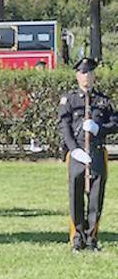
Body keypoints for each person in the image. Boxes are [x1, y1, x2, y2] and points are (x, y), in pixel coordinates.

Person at [58, 58, 118, 252]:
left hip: (98, 152)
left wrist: (99, 128)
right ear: (77, 75)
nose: (87, 77)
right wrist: (73, 149)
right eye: (83, 73)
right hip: (77, 154)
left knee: (95, 197)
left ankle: (91, 238)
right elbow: (64, 126)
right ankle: (77, 237)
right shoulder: (70, 100)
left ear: (94, 76)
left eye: (90, 73)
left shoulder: (103, 100)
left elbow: (115, 124)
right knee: (75, 195)